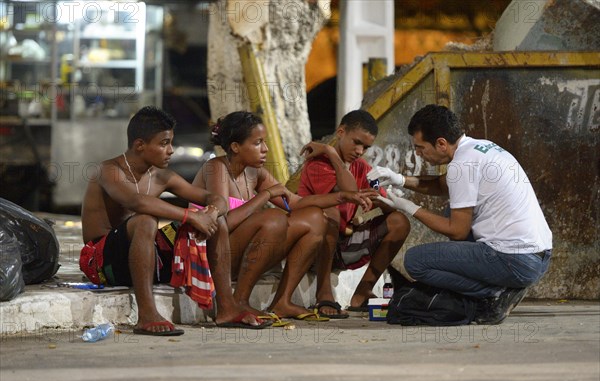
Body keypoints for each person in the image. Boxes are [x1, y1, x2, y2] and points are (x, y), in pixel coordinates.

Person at [80, 106, 268, 336]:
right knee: (146, 220)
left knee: (217, 222)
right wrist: (190, 216)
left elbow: (216, 198)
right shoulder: (109, 170)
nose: (170, 150)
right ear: (140, 145)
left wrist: (210, 212)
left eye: (171, 143)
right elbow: (136, 202)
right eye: (163, 143)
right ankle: (147, 314)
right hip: (101, 264)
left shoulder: (162, 176)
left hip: (147, 259)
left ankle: (227, 308)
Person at [368, 104, 552, 324]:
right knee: (451, 209)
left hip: (515, 260)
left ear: (441, 144)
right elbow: (442, 185)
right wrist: (399, 179)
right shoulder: (481, 148)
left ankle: (494, 293)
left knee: (416, 261)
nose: (418, 154)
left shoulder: (461, 165)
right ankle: (503, 286)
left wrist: (407, 206)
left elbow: (457, 231)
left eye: (420, 148)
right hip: (539, 256)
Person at [192, 111, 376, 320]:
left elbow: (295, 203)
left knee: (315, 218)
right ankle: (239, 300)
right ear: (235, 147)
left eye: (265, 142)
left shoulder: (255, 172)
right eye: (258, 143)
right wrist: (265, 195)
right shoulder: (216, 169)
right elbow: (222, 225)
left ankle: (282, 301)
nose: (265, 149)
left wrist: (344, 196)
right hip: (214, 257)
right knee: (274, 218)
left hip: (239, 253)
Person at [298, 110, 411, 317]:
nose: (360, 151)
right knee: (330, 213)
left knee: (399, 222)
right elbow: (348, 190)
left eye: (366, 147)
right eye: (356, 142)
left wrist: (377, 198)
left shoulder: (361, 166)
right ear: (340, 132)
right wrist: (330, 152)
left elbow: (389, 205)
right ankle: (324, 292)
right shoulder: (319, 163)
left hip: (343, 245)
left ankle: (362, 292)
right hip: (313, 247)